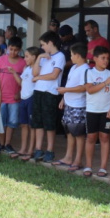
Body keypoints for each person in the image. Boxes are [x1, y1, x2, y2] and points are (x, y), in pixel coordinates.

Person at [84, 46, 110, 177]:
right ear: (95, 59)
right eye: (103, 58)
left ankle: (103, 166)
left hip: (106, 111)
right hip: (92, 110)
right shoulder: (89, 72)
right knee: (91, 137)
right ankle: (88, 165)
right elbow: (90, 90)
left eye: (107, 58)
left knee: (104, 137)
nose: (106, 61)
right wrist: (105, 83)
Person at [31, 31, 65, 163]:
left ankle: (50, 150)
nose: (42, 47)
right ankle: (38, 148)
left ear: (51, 43)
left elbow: (54, 75)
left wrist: (39, 77)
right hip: (38, 91)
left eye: (43, 44)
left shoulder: (60, 56)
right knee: (38, 122)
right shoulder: (43, 56)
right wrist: (39, 58)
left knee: (49, 123)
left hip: (50, 93)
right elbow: (34, 72)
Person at [56, 43, 90, 171]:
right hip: (69, 103)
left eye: (71, 55)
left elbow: (83, 87)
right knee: (69, 131)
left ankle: (78, 160)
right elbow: (70, 83)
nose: (70, 57)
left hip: (79, 105)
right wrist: (63, 98)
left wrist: (65, 90)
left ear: (77, 55)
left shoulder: (85, 69)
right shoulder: (74, 67)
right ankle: (68, 157)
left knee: (79, 133)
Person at [0, 37, 27, 155]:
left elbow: (25, 80)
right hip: (1, 97)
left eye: (16, 50)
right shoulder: (0, 60)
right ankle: (1, 143)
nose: (13, 52)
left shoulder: (23, 63)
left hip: (15, 98)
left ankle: (7, 143)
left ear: (20, 50)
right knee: (1, 121)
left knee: (12, 122)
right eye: (11, 49)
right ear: (7, 48)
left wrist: (20, 92)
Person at [13, 46, 40, 160]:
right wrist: (14, 73)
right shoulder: (26, 68)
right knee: (24, 125)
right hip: (23, 98)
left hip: (31, 98)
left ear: (34, 57)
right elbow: (21, 82)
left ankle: (30, 149)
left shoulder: (37, 68)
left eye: (27, 56)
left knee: (31, 125)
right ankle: (23, 148)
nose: (25, 58)